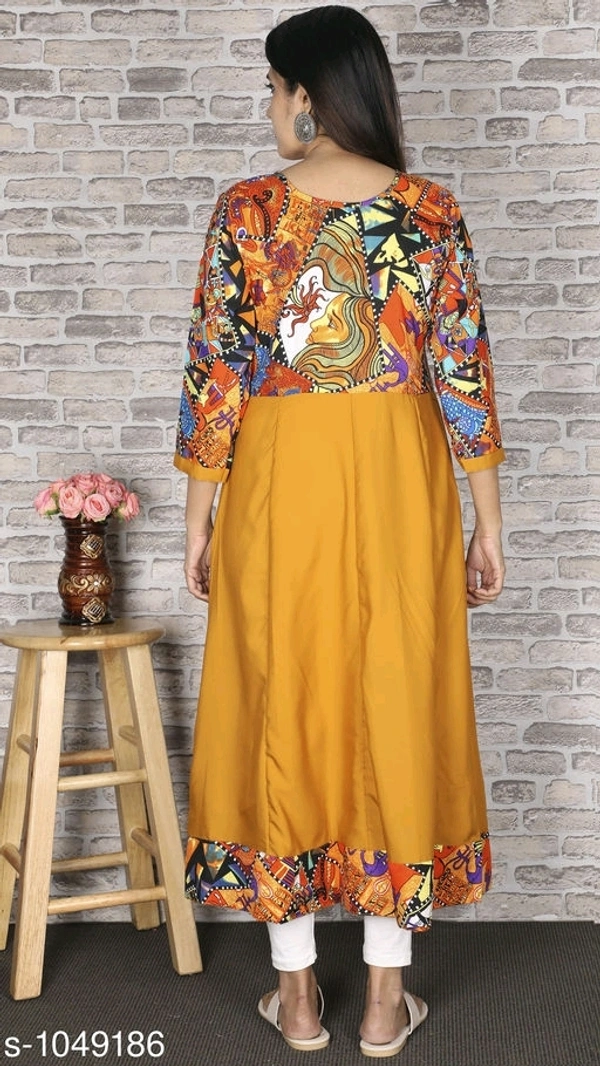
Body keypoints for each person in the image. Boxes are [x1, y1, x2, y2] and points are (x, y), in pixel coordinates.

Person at [174, 5, 505, 1057]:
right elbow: (464, 376)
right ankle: (384, 1001)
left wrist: (199, 521)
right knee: (395, 705)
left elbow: (215, 377)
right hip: (404, 483)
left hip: (279, 485)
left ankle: (298, 998)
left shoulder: (248, 211)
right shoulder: (430, 210)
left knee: (282, 704)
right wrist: (488, 524)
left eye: (274, 90)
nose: (271, 110)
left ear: (309, 94)